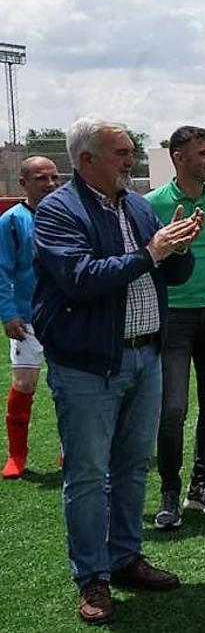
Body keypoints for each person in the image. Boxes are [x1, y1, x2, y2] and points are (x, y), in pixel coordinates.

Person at [33, 117, 201, 623]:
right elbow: (81, 279)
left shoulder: (136, 206)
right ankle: (92, 576)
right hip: (88, 365)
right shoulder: (58, 211)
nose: (132, 159)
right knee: (87, 475)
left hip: (145, 355)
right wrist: (153, 251)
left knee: (130, 468)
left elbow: (166, 273)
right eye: (121, 152)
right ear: (86, 161)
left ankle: (124, 558)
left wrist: (178, 249)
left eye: (132, 151)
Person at [145, 126, 205, 528]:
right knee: (173, 409)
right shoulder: (151, 205)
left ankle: (201, 485)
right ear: (178, 158)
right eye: (204, 154)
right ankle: (169, 491)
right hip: (173, 319)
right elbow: (147, 262)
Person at [1, 156, 60, 478]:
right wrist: (8, 313)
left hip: (68, 318)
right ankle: (17, 456)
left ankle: (71, 451)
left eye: (54, 177)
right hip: (28, 319)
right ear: (23, 183)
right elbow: (2, 270)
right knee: (24, 384)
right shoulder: (11, 221)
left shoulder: (70, 215)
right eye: (41, 178)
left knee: (71, 386)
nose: (50, 184)